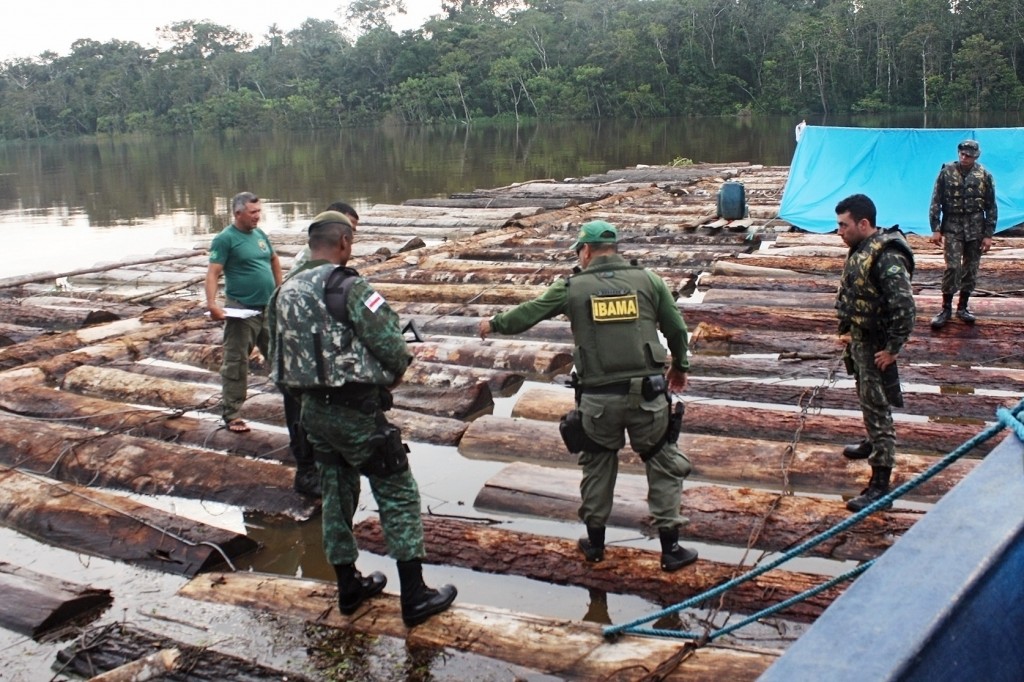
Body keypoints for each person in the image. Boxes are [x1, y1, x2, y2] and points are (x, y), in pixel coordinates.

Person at [268, 212, 457, 627]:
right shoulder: (349, 287)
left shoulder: (283, 292)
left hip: (311, 413)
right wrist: (392, 372)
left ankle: (348, 586)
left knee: (336, 495)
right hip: (356, 411)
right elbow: (392, 344)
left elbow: (274, 356)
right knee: (399, 492)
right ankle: (415, 596)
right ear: (345, 243)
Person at [478, 220, 698, 572]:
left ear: (586, 251)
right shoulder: (650, 281)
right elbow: (676, 329)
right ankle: (671, 551)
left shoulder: (571, 288)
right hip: (649, 398)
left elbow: (528, 315)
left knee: (597, 467)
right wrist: (680, 367)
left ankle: (595, 547)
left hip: (598, 403)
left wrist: (494, 323)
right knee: (662, 463)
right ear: (613, 249)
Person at [834, 194, 916, 513]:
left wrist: (893, 349)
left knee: (878, 405)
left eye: (844, 225)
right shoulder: (859, 247)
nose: (839, 231)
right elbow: (852, 290)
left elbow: (905, 307)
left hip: (877, 344)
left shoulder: (886, 256)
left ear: (863, 224)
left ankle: (880, 484)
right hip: (859, 338)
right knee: (866, 395)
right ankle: (871, 441)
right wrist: (845, 329)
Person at [283, 201, 360, 497]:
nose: (352, 239)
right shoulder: (311, 264)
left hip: (306, 352)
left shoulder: (322, 262)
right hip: (305, 353)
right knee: (302, 414)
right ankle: (306, 473)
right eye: (350, 232)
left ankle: (315, 468)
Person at [205, 192, 282, 433]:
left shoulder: (259, 235)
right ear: (238, 213)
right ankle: (232, 414)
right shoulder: (225, 239)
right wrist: (212, 304)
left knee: (281, 358)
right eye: (253, 213)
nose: (257, 217)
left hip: (267, 308)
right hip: (241, 310)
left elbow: (274, 260)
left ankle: (298, 405)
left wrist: (280, 291)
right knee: (236, 362)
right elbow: (213, 273)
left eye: (259, 211)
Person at [928, 139, 997, 328]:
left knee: (971, 269)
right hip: (952, 227)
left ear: (976, 156)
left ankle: (963, 307)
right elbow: (936, 200)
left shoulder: (984, 175)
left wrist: (989, 234)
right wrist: (935, 228)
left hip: (976, 229)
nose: (964, 157)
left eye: (969, 155)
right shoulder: (946, 172)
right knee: (952, 268)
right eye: (962, 154)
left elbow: (991, 206)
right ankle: (946, 308)